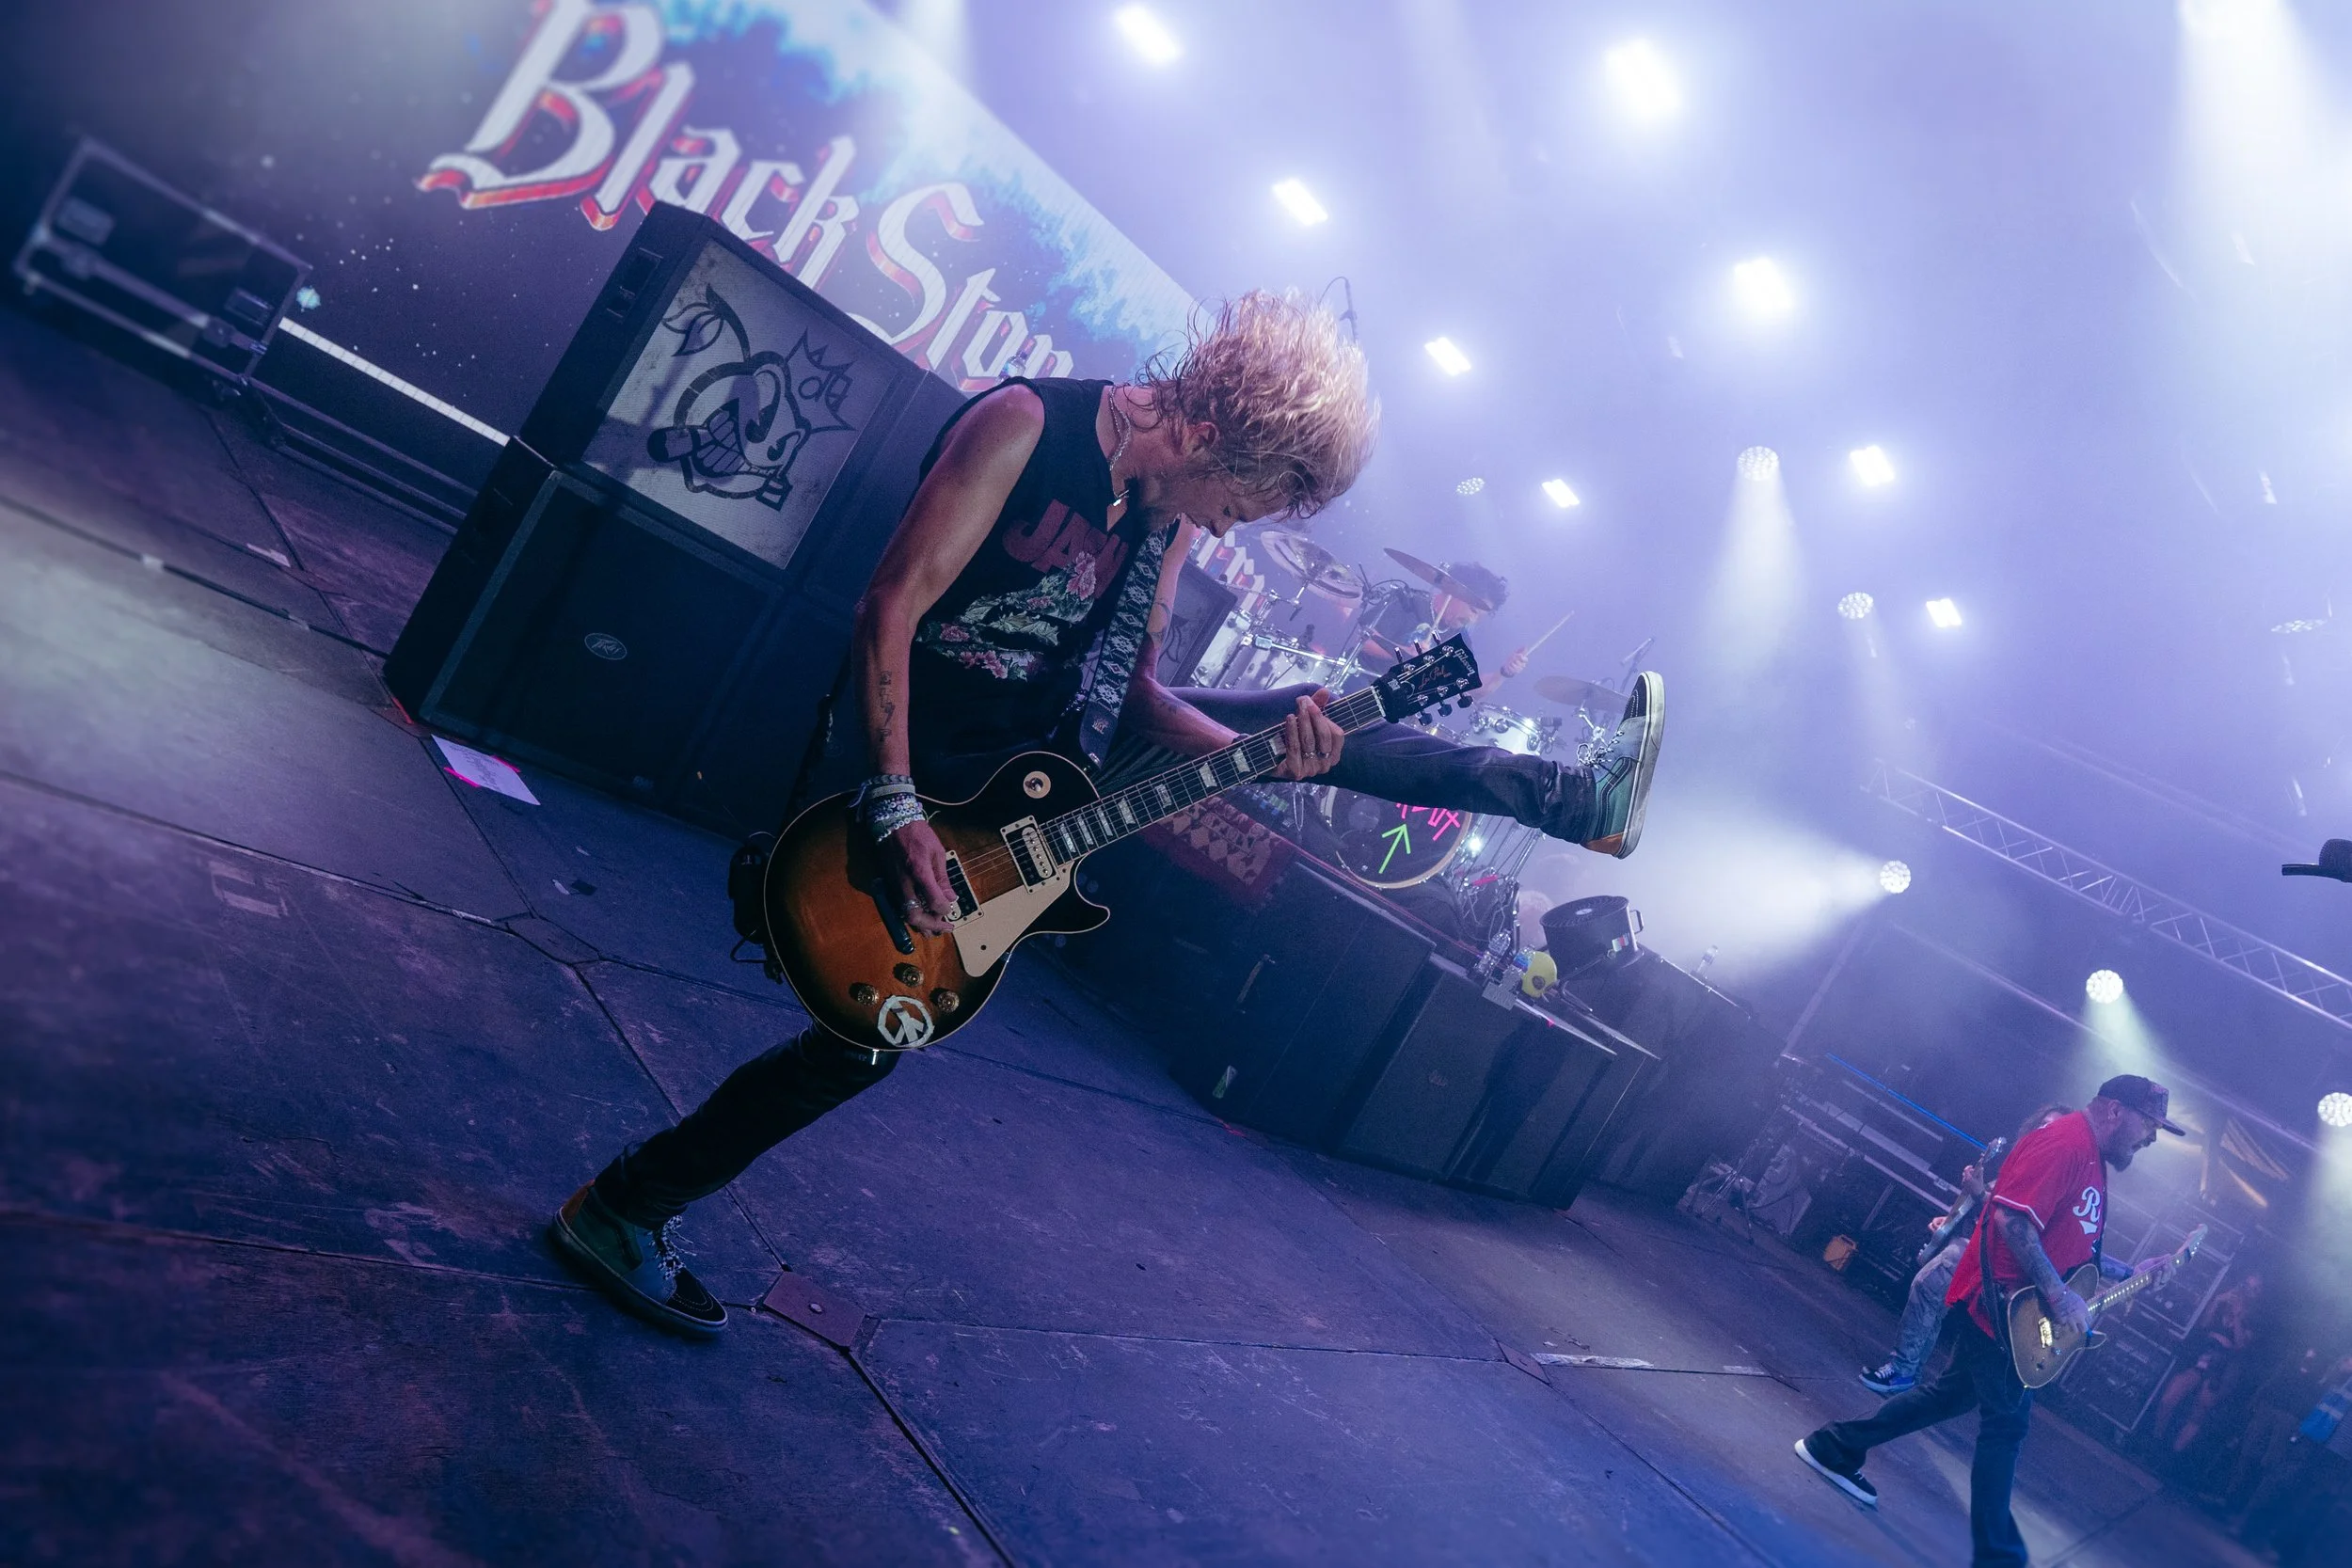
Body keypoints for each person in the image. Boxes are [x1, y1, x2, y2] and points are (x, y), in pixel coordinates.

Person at [545, 291, 1666, 1336]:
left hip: (1045, 752)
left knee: (1312, 716)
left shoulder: (1164, 525)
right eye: (1244, 504)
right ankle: (624, 1204)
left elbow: (1129, 689)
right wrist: (891, 802)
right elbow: (889, 602)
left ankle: (1571, 796)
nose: (1229, 533)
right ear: (1225, 435)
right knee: (862, 1043)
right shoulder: (1028, 426)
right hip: (922, 766)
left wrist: (1258, 759)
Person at [1793, 1075, 2187, 1567]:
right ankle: (1999, 1558)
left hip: (2018, 1307)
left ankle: (1834, 1448)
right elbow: (2013, 1222)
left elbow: (2072, 1244)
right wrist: (2059, 1296)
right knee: (2006, 1428)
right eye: (2149, 1123)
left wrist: (2134, 1272)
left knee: (1947, 1397)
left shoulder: (2091, 1156)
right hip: (2005, 1307)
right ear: (2114, 1110)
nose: (2150, 1137)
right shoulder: (2065, 1141)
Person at [1860, 1104, 2069, 1398]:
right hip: (1969, 1242)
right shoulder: (2023, 1160)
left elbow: (2009, 1218)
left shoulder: (2049, 1172)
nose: (2045, 1130)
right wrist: (1950, 1222)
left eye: (2054, 1127)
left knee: (1926, 1287)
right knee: (1933, 1302)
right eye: (2043, 1123)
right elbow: (1986, 1207)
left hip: (1989, 1257)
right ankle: (1908, 1372)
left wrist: (1978, 1192)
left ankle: (1903, 1369)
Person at [2240, 1354, 2352, 1564]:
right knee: (2289, 1485)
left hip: (2338, 1448)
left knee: (2308, 1497)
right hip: (2320, 1437)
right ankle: (2259, 1534)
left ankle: (2281, 1545)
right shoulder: (2344, 1368)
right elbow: (2328, 1382)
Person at [2149, 1270, 2264, 1458]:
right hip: (2203, 1354)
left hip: (2224, 1365)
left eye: (2255, 1290)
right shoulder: (2225, 1302)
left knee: (2199, 1412)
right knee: (2168, 1398)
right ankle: (2155, 1440)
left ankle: (2173, 1454)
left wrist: (2237, 1318)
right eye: (2247, 1286)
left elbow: (2241, 1345)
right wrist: (2218, 1301)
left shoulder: (2253, 1318)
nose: (2248, 1292)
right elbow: (2204, 1324)